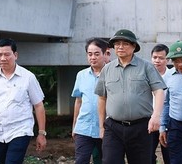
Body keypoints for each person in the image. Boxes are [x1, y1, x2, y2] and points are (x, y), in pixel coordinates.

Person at [95, 29, 165, 164]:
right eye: (117, 44)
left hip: (141, 127)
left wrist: (156, 116)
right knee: (109, 161)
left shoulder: (146, 67)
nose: (120, 47)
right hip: (113, 127)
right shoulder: (107, 69)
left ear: (134, 46)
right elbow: (102, 98)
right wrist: (101, 127)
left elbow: (159, 91)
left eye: (125, 43)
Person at [71, 38, 109, 164]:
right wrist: (75, 126)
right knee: (81, 160)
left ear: (105, 54)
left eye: (97, 54)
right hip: (83, 128)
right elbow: (78, 101)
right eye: (90, 54)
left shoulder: (112, 74)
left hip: (106, 128)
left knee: (103, 160)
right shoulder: (81, 75)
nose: (93, 57)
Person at [149, 44, 171, 164]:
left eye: (161, 58)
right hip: (150, 122)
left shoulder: (172, 76)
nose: (157, 61)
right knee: (148, 155)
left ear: (167, 60)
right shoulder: (145, 75)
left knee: (169, 155)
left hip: (168, 122)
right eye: (155, 57)